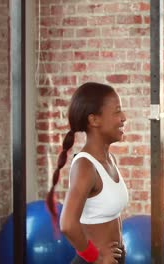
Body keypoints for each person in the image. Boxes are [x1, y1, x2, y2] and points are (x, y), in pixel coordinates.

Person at [46, 82, 129, 264]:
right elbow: (67, 224)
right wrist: (96, 258)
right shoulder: (85, 165)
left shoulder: (110, 160)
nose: (124, 117)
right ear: (94, 120)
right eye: (117, 111)